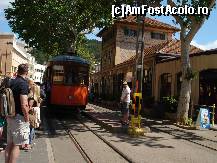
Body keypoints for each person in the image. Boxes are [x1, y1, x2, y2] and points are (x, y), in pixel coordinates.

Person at [5, 64, 30, 163]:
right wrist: (27, 119)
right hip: (19, 118)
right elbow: (24, 104)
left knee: (9, 144)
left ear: (18, 71)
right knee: (17, 145)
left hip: (10, 115)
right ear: (26, 72)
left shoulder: (11, 82)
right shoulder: (23, 84)